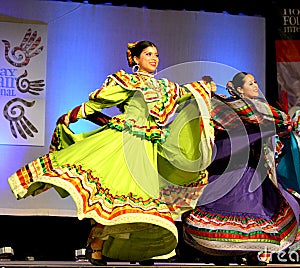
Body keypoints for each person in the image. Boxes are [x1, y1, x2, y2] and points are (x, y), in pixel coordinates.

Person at [7, 40, 215, 265]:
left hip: (148, 146)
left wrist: (203, 87)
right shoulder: (126, 81)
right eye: (147, 54)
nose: (153, 58)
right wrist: (71, 115)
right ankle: (96, 245)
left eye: (155, 54)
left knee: (143, 199)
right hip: (125, 141)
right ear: (135, 59)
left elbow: (184, 94)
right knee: (117, 193)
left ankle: (139, 251)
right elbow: (99, 103)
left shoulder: (165, 86)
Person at [182, 72, 300, 265]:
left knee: (258, 210)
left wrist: (292, 135)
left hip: (252, 172)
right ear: (239, 89)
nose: (255, 86)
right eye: (250, 83)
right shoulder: (228, 108)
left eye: (256, 82)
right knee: (229, 208)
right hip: (230, 171)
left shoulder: (263, 112)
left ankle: (252, 253)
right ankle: (223, 253)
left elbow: (282, 124)